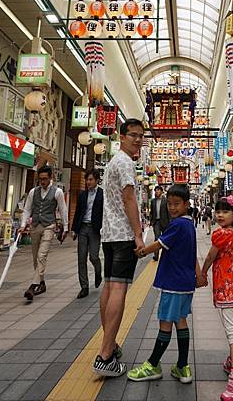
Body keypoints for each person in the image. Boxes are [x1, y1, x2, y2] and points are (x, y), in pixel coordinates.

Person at [128, 184, 205, 384]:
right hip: (185, 283)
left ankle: (153, 364)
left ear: (187, 204)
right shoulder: (189, 225)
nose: (172, 208)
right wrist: (199, 276)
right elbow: (192, 253)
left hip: (173, 282)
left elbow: (160, 243)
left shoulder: (178, 224)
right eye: (169, 204)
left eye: (177, 204)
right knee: (180, 321)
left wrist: (142, 251)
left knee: (165, 323)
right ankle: (182, 367)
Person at [93, 118, 145, 378]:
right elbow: (129, 198)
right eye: (132, 135)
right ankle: (104, 355)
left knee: (109, 287)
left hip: (109, 235)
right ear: (121, 137)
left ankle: (110, 345)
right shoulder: (125, 163)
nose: (137, 139)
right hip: (123, 234)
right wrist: (138, 234)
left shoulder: (113, 161)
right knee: (119, 290)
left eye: (140, 136)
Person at [201, 195, 233, 401]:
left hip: (226, 287)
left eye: (225, 211)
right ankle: (232, 361)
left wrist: (202, 273)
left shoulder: (220, 235)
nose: (220, 215)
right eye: (218, 211)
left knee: (232, 330)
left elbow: (211, 256)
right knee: (232, 324)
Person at [18, 165, 68, 302]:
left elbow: (63, 210)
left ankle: (32, 287)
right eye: (40, 179)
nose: (43, 182)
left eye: (45, 179)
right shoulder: (33, 192)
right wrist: (23, 225)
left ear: (51, 178)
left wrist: (66, 228)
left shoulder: (57, 192)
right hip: (35, 227)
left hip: (49, 226)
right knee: (35, 257)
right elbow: (27, 209)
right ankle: (41, 283)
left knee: (42, 255)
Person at [72, 168, 103, 298]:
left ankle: (97, 271)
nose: (88, 182)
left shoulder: (103, 194)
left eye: (90, 179)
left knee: (94, 256)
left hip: (95, 229)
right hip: (83, 228)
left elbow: (105, 213)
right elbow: (78, 212)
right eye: (87, 179)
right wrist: (74, 229)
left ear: (96, 180)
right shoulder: (82, 195)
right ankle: (84, 287)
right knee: (81, 257)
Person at [150, 185, 170, 261]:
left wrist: (170, 222)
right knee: (157, 239)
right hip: (156, 222)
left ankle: (166, 255)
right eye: (155, 190)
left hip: (165, 222)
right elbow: (151, 212)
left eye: (158, 190)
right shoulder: (153, 201)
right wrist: (152, 221)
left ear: (161, 191)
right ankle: (156, 255)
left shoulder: (166, 200)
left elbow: (168, 212)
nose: (156, 192)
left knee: (166, 239)